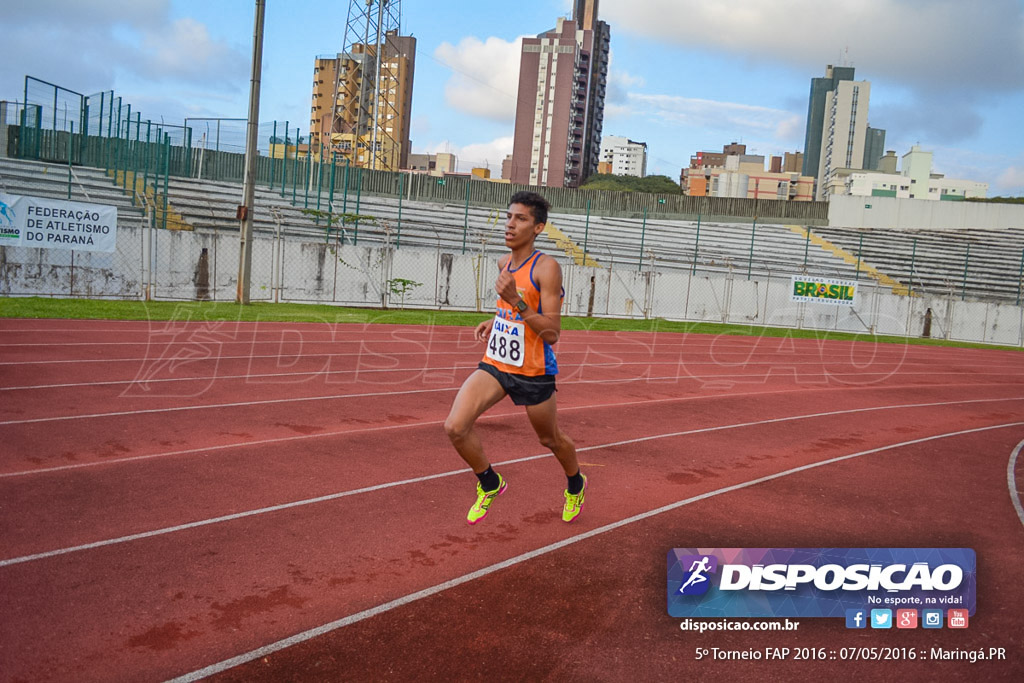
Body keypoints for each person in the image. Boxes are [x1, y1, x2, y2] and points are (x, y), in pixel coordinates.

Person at [444, 191, 586, 525]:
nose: (510, 224)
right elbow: (514, 309)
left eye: (520, 219)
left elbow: (551, 332)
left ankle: (575, 482)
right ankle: (490, 483)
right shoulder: (503, 263)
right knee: (455, 427)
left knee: (549, 438)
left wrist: (515, 301)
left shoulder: (547, 268)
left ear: (538, 228)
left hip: (534, 371)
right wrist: (498, 319)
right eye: (509, 217)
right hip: (496, 363)